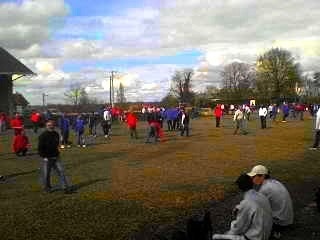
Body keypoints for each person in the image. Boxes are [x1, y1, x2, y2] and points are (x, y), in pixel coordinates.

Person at [212, 174, 272, 240]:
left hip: (256, 237)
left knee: (216, 237)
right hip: (266, 232)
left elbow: (238, 228)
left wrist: (229, 231)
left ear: (239, 187)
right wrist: (239, 208)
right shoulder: (261, 195)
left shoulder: (246, 203)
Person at [247, 165, 294, 239]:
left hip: (280, 222)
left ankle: (273, 233)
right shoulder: (275, 182)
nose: (252, 179)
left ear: (262, 176)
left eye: (254, 177)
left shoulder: (265, 189)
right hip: (288, 218)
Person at [38, 120, 74, 193]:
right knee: (46, 174)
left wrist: (58, 151)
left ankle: (65, 187)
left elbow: (57, 144)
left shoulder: (56, 134)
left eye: (52, 125)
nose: (51, 126)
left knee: (61, 172)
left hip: (56, 157)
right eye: (49, 125)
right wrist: (44, 157)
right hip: (47, 158)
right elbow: (40, 148)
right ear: (46, 126)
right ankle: (47, 188)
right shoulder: (43, 136)